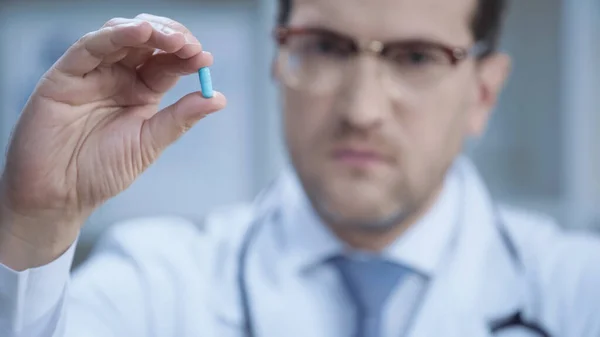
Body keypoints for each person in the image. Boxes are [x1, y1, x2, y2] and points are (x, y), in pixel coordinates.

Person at [0, 0, 599, 336]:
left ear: (483, 95)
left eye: (417, 57)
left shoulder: (578, 291)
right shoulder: (158, 282)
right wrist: (35, 223)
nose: (362, 111)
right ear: (279, 62)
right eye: (325, 47)